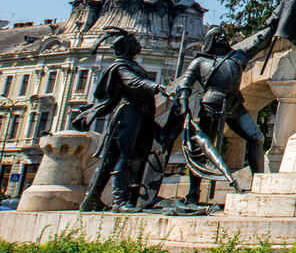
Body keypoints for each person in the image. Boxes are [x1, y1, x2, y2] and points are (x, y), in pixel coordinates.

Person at [173, 20, 278, 203]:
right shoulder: (200, 61)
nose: (221, 37)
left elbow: (259, 42)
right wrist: (183, 103)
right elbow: (184, 84)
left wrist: (275, 24)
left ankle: (258, 183)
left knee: (257, 137)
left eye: (223, 34)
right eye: (217, 35)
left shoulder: (237, 56)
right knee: (202, 150)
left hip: (234, 105)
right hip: (210, 106)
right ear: (210, 40)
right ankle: (193, 193)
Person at [73, 29, 169, 212]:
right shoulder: (121, 66)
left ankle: (92, 199)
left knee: (113, 159)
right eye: (134, 42)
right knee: (124, 157)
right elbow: (132, 82)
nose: (138, 44)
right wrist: (154, 85)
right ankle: (119, 200)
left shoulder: (130, 64)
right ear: (127, 47)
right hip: (128, 114)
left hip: (140, 114)